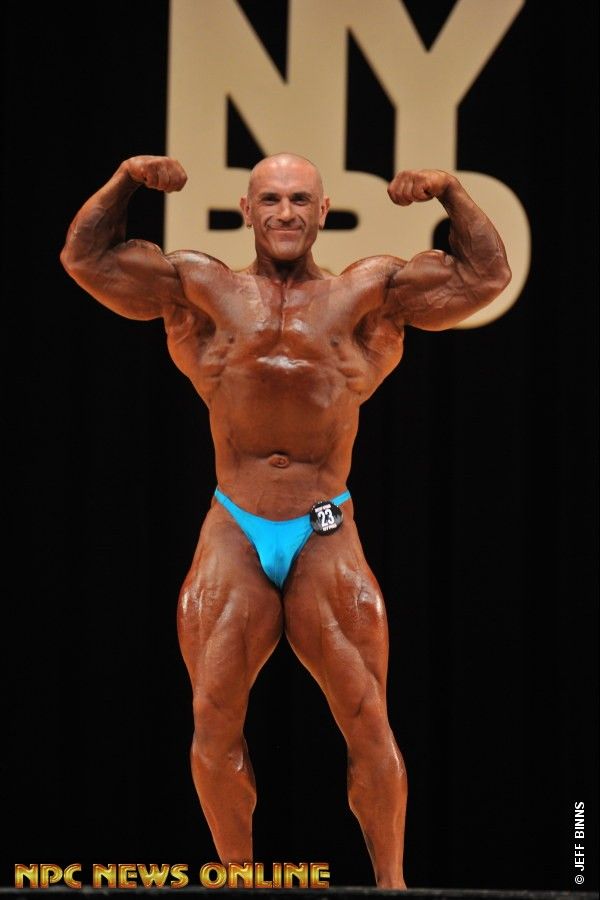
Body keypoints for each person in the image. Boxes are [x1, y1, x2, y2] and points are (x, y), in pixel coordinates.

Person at [60, 152, 511, 889]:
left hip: (325, 524)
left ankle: (393, 885)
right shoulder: (201, 288)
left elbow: (485, 278)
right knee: (213, 722)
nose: (285, 213)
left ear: (323, 211)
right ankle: (240, 881)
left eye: (300, 199)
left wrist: (452, 193)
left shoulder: (368, 293)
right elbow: (85, 259)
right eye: (270, 199)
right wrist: (125, 179)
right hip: (235, 524)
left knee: (367, 719)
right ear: (247, 210)